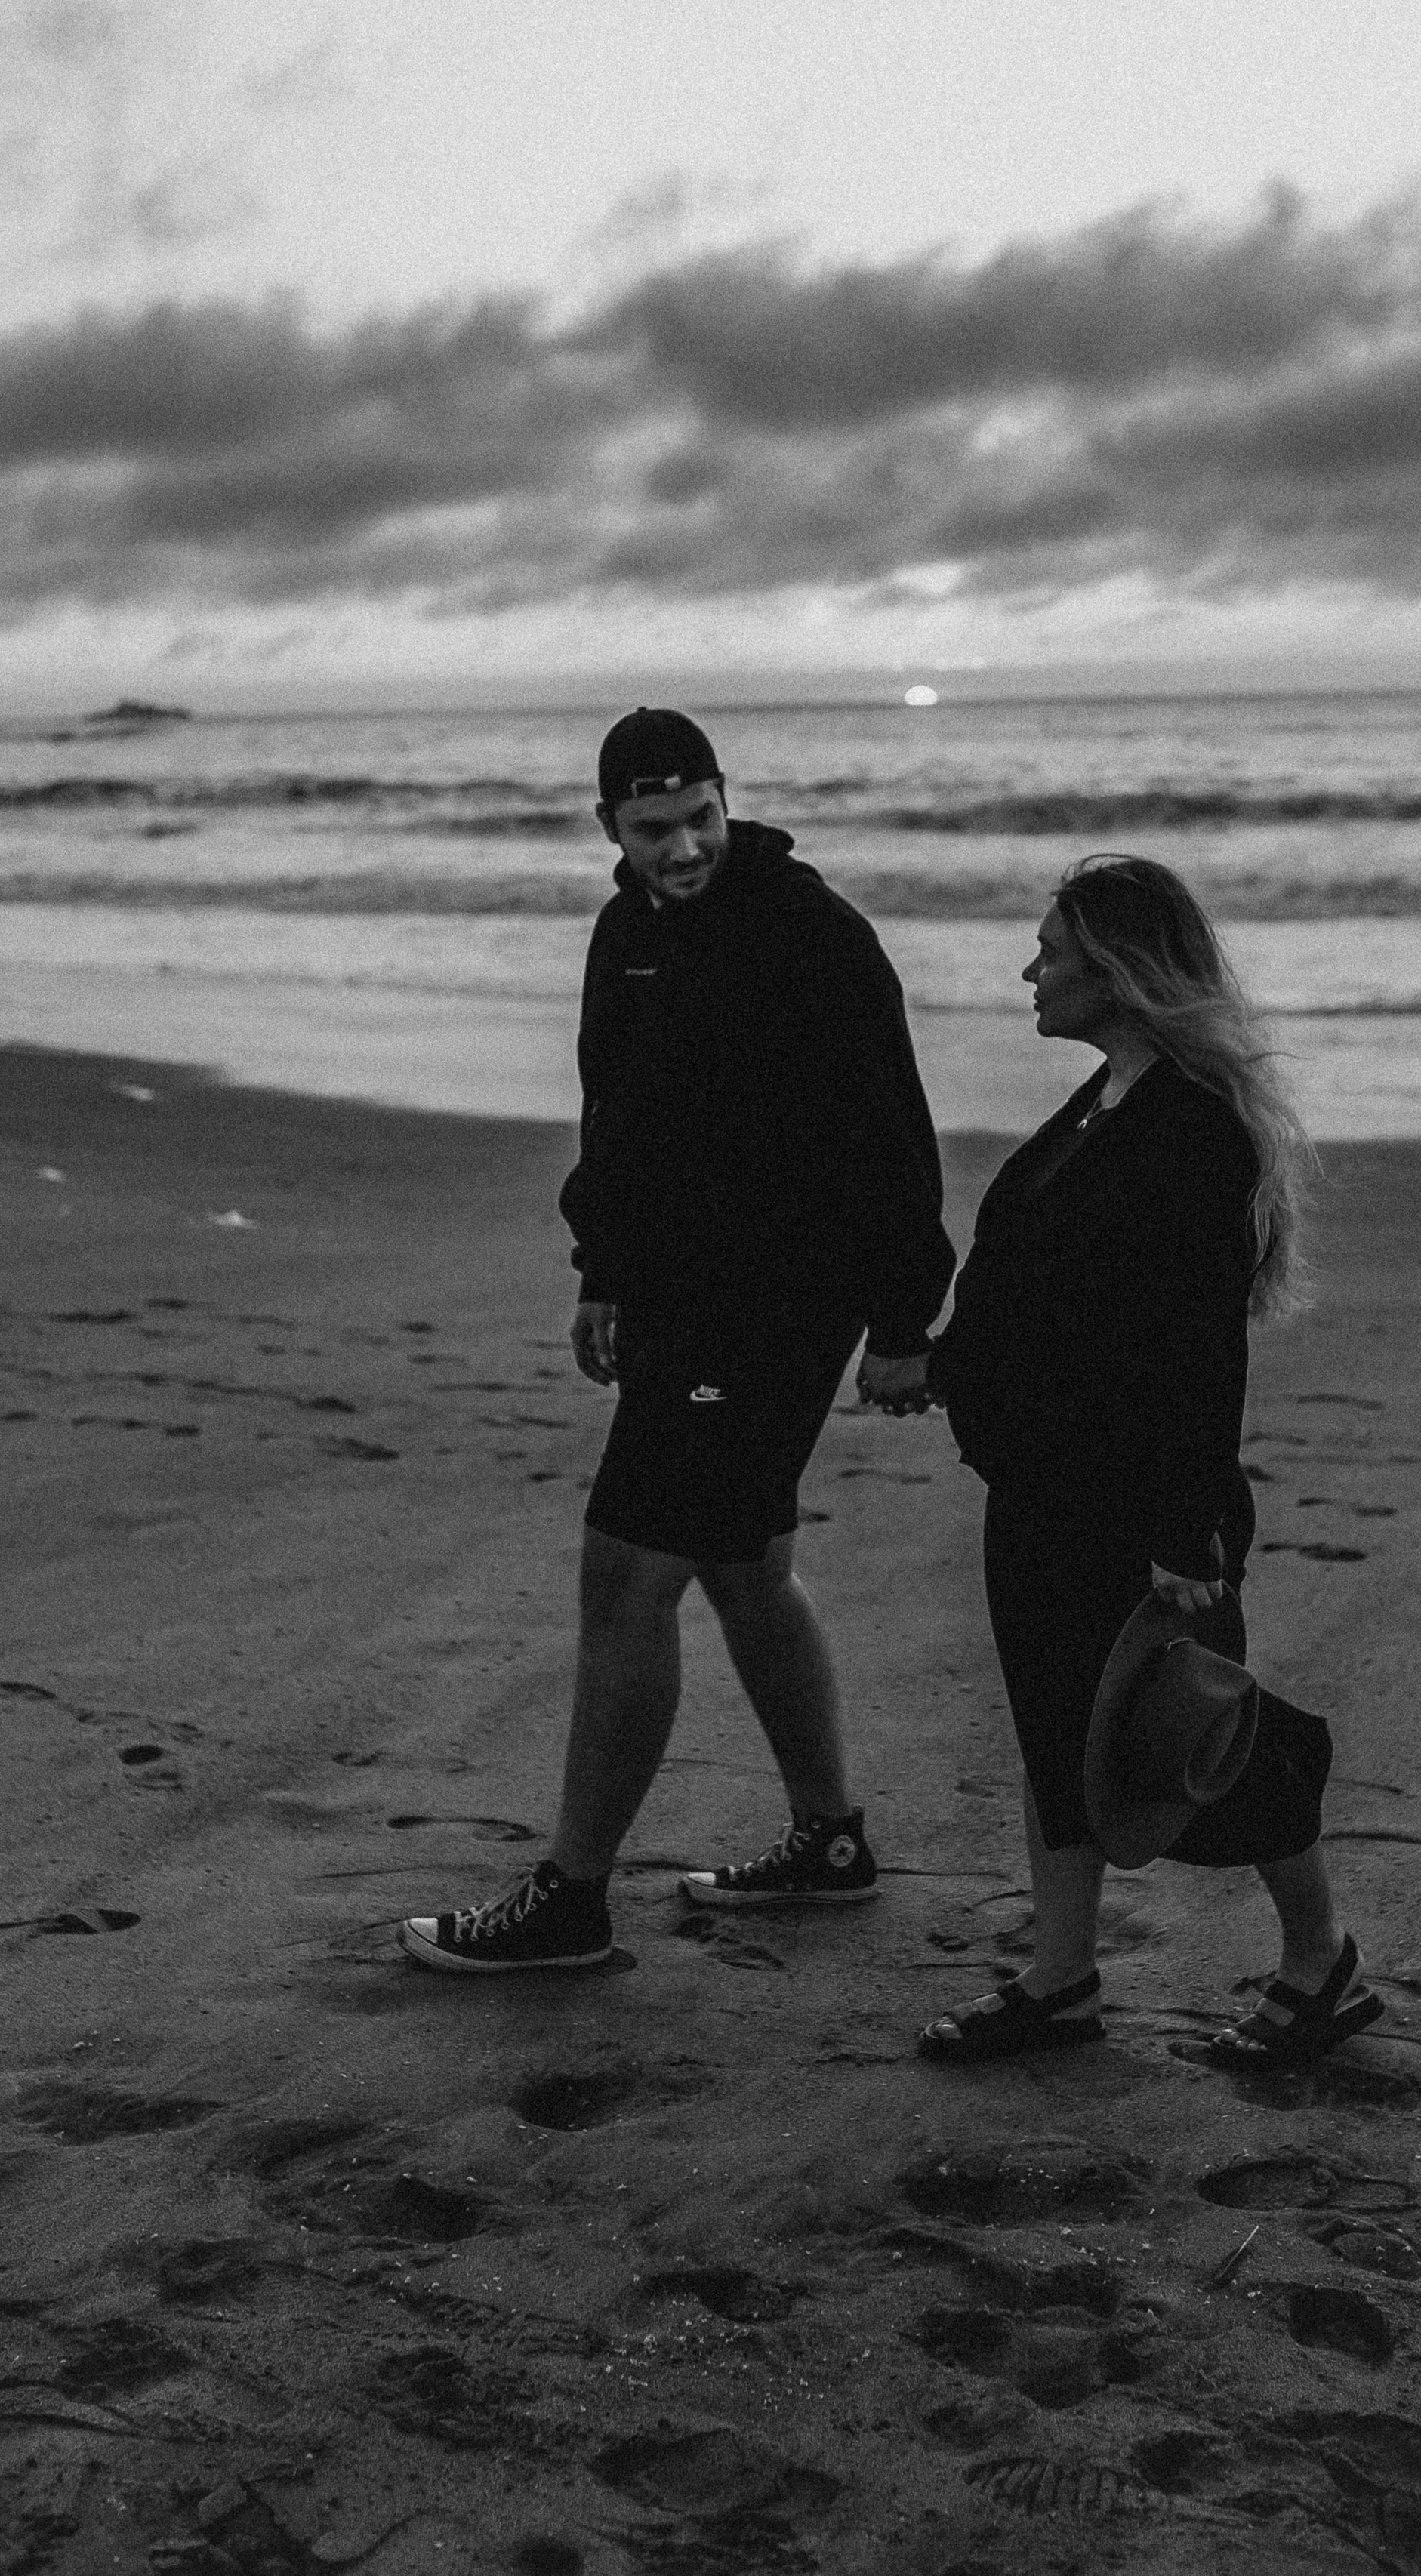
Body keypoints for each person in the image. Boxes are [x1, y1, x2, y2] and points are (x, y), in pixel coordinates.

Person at [402, 708, 954, 1975]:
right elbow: (619, 1120)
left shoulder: (812, 933)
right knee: (743, 1563)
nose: (686, 846)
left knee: (624, 1570)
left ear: (726, 799)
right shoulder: (626, 933)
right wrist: (603, 1271)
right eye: (655, 829)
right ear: (610, 830)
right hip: (680, 1299)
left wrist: (906, 1321)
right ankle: (829, 1842)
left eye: (701, 817)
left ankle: (573, 1898)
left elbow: (892, 1133)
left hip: (777, 1304)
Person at [916, 855, 1382, 2071]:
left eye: (1052, 951)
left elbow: (1187, 1351)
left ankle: (1318, 1960)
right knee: (1058, 1732)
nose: (1031, 970)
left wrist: (1188, 1536)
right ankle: (1062, 1982)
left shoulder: (1187, 1132)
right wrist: (951, 1368)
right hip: (1044, 1487)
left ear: (1116, 976)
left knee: (1193, 1741)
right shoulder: (1105, 1102)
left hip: (1132, 1504)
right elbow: (1036, 1281)